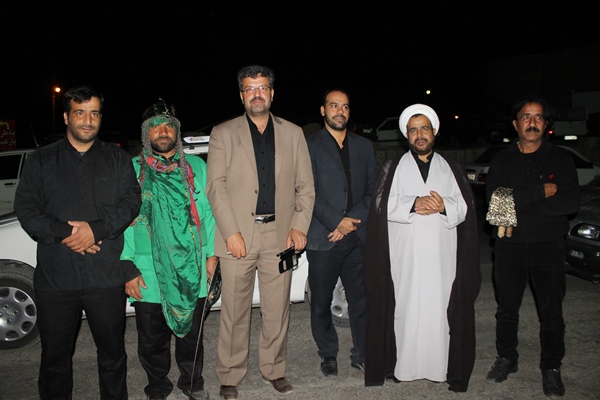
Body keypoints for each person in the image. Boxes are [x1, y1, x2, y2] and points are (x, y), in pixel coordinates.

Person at [14, 85, 141, 399]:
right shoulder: (41, 160)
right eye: (80, 113)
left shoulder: (118, 159)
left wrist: (96, 231)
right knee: (55, 359)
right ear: (66, 117)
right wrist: (67, 233)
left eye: (94, 113)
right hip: (57, 277)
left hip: (105, 276)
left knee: (112, 355)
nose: (88, 120)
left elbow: (131, 202)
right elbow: (26, 209)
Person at [206, 65, 315, 399]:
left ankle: (274, 370)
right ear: (241, 95)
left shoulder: (293, 133)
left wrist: (299, 227)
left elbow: (305, 187)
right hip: (238, 236)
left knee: (277, 309)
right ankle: (230, 375)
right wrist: (230, 232)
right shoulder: (223, 133)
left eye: (262, 88)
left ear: (272, 93)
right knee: (234, 311)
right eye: (250, 88)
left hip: (279, 237)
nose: (257, 94)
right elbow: (215, 187)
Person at [363, 103, 481, 392]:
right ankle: (404, 367)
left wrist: (443, 205)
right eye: (413, 130)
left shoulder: (452, 168)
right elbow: (379, 205)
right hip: (405, 256)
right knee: (406, 309)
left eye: (424, 129)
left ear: (434, 131)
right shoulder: (392, 168)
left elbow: (466, 206)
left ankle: (439, 367)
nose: (419, 135)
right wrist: (413, 203)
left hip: (442, 256)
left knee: (439, 311)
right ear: (407, 135)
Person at [121, 98, 217, 400]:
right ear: (145, 133)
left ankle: (192, 382)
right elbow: (122, 222)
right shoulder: (131, 170)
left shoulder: (197, 167)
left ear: (177, 131)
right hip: (148, 266)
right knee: (152, 338)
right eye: (155, 126)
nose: (162, 131)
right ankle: (158, 385)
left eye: (168, 126)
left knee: (192, 335)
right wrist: (126, 265)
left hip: (192, 264)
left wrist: (212, 254)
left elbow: (209, 214)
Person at [484, 96, 580, 397]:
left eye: (538, 117)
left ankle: (551, 367)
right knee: (506, 309)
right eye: (526, 117)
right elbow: (495, 205)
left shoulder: (561, 159)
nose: (532, 122)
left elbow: (570, 202)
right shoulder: (502, 160)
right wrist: (542, 191)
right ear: (516, 124)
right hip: (509, 246)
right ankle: (506, 358)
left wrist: (516, 202)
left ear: (546, 124)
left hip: (548, 246)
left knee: (551, 312)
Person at [305, 88, 376, 377]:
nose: (340, 111)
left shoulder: (364, 146)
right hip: (324, 237)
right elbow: (306, 191)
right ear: (323, 110)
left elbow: (373, 190)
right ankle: (328, 354)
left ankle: (363, 353)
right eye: (334, 105)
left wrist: (350, 223)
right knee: (321, 303)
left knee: (361, 300)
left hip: (357, 237)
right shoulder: (309, 145)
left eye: (345, 106)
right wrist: (336, 222)